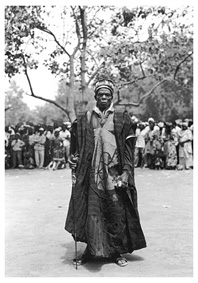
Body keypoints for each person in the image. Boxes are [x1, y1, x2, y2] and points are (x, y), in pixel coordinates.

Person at [65, 78, 146, 267]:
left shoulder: (121, 118)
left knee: (115, 211)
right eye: (100, 94)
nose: (103, 97)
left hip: (114, 174)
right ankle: (90, 250)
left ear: (112, 97)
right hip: (91, 174)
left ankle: (116, 250)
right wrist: (73, 159)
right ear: (95, 96)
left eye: (107, 95)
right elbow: (76, 146)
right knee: (90, 211)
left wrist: (126, 172)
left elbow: (128, 149)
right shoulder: (85, 117)